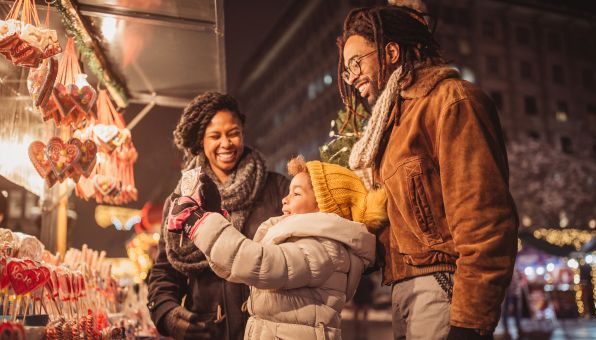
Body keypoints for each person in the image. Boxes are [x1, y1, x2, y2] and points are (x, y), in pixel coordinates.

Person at [338, 5, 519, 340]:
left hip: (442, 286)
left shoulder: (451, 101)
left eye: (356, 63)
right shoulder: (390, 126)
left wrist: (467, 324)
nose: (351, 78)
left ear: (390, 52)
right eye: (347, 70)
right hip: (404, 289)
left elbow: (484, 222)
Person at [167, 157, 383, 339]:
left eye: (296, 194)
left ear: (324, 208)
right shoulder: (304, 240)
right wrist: (211, 218)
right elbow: (236, 267)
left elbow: (260, 264)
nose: (285, 199)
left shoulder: (322, 248)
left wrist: (198, 223)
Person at [147, 92, 289, 340]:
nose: (226, 144)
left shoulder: (277, 190)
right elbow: (163, 273)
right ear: (201, 141)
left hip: (271, 330)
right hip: (208, 331)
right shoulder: (181, 202)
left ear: (243, 132)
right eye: (215, 136)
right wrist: (167, 314)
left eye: (233, 133)